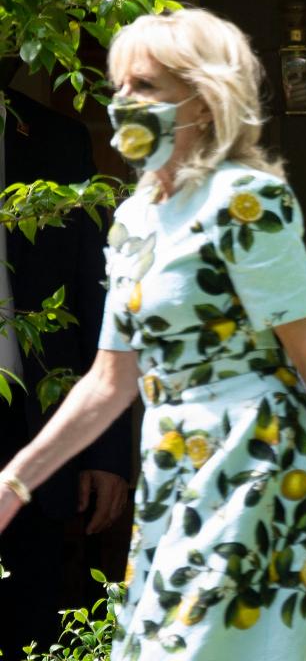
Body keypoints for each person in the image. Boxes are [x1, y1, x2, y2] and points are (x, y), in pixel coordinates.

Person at [0, 8, 306, 661]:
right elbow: (109, 381)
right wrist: (15, 482)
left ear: (201, 98)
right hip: (175, 478)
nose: (123, 105)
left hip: (260, 473)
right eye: (120, 89)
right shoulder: (133, 220)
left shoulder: (248, 202)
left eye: (145, 88)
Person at [0, 76, 132, 652]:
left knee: (29, 630)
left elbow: (92, 299)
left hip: (34, 431)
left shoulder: (56, 141)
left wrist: (104, 452)